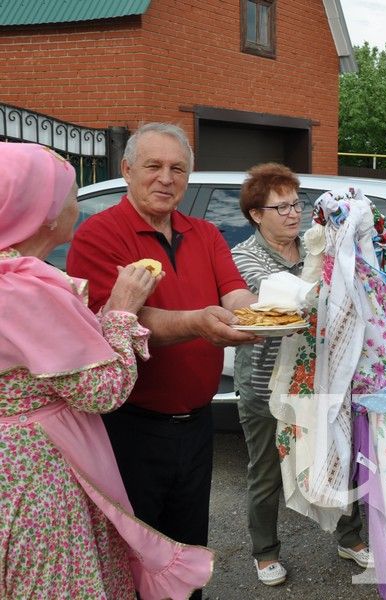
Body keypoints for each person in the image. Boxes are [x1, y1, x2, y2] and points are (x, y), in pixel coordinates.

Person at [0, 142, 214, 599]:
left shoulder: (18, 278)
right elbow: (101, 388)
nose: (75, 205)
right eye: (69, 195)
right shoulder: (24, 290)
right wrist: (121, 309)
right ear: (42, 211)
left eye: (177, 168)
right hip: (42, 476)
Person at [67, 123, 258, 600]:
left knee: (188, 545)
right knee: (136, 550)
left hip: (196, 423)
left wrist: (264, 314)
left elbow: (233, 290)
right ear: (127, 170)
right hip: (129, 426)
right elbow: (126, 316)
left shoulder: (205, 231)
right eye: (153, 166)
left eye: (177, 169)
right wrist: (197, 322)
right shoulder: (98, 234)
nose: (166, 178)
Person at [230, 163, 372, 586]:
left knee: (337, 452)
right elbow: (281, 297)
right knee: (266, 470)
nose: (293, 214)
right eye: (281, 206)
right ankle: (265, 551)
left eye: (296, 204)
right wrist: (320, 262)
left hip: (322, 375)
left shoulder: (319, 246)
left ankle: (350, 536)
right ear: (256, 214)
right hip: (263, 379)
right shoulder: (243, 255)